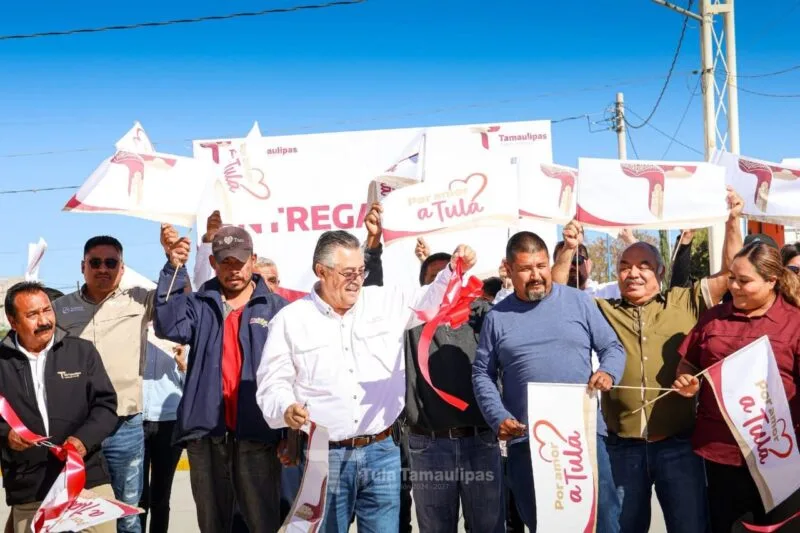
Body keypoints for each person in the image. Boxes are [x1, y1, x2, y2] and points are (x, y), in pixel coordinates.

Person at [256, 212, 476, 532]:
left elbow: (431, 302)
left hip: (383, 452)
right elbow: (272, 384)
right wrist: (285, 409)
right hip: (325, 458)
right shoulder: (290, 321)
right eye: (348, 272)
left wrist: (455, 268)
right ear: (321, 271)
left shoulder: (385, 302)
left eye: (360, 270)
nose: (357, 279)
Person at [552, 187, 745, 533]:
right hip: (621, 450)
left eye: (643, 266)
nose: (632, 273)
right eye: (624, 266)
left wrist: (732, 221)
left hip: (680, 447)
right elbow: (557, 296)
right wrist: (568, 249)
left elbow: (732, 272)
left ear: (660, 271)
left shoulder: (685, 301)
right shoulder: (603, 309)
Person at [472, 231, 626, 532]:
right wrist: (498, 417)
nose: (536, 276)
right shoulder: (497, 318)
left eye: (541, 266)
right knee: (546, 526)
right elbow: (482, 373)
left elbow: (612, 347)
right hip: (527, 443)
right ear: (509, 268)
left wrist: (608, 371)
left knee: (603, 523)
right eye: (526, 269)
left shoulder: (579, 302)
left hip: (582, 438)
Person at [155, 224, 288, 533]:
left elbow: (291, 374)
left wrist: (290, 437)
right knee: (213, 525)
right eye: (225, 262)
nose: (233, 269)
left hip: (258, 434)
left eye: (240, 261)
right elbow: (166, 324)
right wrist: (173, 267)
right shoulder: (198, 304)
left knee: (263, 524)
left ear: (253, 261)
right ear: (213, 263)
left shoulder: (279, 310)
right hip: (207, 436)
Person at [674, 242, 800, 532]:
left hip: (779, 455)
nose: (734, 286)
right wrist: (688, 383)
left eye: (744, 281)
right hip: (721, 454)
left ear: (772, 281)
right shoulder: (712, 319)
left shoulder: (794, 322)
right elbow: (688, 365)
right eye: (732, 277)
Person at [54, 235, 167, 533]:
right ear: (83, 266)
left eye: (111, 262)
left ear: (121, 267)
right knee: (75, 514)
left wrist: (173, 260)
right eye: (95, 262)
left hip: (125, 427)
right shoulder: (59, 310)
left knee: (128, 514)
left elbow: (175, 298)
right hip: (76, 429)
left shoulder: (141, 300)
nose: (103, 268)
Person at [0, 281, 118, 533]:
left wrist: (83, 441)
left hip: (86, 483)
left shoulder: (81, 351)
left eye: (47, 310)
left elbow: (106, 406)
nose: (44, 320)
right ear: (13, 321)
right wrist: (6, 435)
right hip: (30, 488)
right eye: (32, 314)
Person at [402, 252, 505, 532]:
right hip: (429, 446)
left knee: (488, 527)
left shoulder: (481, 315)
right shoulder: (407, 321)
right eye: (435, 280)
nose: (444, 286)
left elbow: (511, 313)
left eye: (449, 277)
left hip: (480, 443)